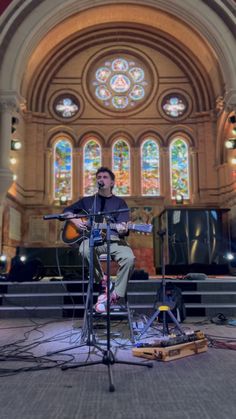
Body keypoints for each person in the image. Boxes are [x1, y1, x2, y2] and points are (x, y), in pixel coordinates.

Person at [63, 166, 135, 313]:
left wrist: (123, 228)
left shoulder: (120, 203)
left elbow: (123, 226)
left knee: (129, 258)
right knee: (84, 249)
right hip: (92, 240)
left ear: (112, 183)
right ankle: (103, 280)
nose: (101, 179)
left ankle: (114, 294)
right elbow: (66, 211)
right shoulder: (88, 201)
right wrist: (75, 221)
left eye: (105, 177)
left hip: (114, 239)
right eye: (99, 177)